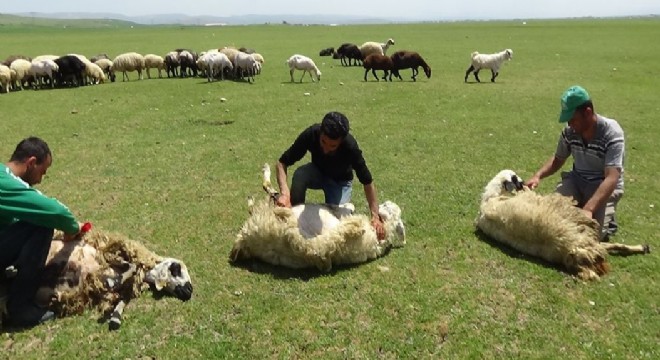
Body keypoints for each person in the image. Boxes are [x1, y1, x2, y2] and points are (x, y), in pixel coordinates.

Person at [0, 137, 84, 327]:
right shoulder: (6, 183)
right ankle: (21, 309)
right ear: (31, 163)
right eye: (42, 171)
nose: (40, 179)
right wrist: (73, 228)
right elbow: (56, 212)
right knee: (41, 223)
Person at [525, 85, 625, 241]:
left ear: (588, 113)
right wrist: (538, 176)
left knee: (589, 236)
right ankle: (582, 207)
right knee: (550, 217)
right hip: (577, 181)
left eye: (573, 119)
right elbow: (558, 159)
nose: (570, 124)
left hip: (602, 186)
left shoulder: (612, 133)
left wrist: (589, 209)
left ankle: (606, 219)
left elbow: (611, 177)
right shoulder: (570, 131)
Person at [275, 111, 385, 240]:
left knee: (337, 223)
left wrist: (375, 216)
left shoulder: (350, 147)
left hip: (340, 182)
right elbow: (282, 163)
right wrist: (285, 193)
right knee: (300, 175)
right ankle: (292, 216)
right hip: (317, 172)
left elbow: (367, 182)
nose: (326, 149)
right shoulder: (311, 134)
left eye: (333, 146)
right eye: (323, 142)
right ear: (320, 132)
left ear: (341, 141)